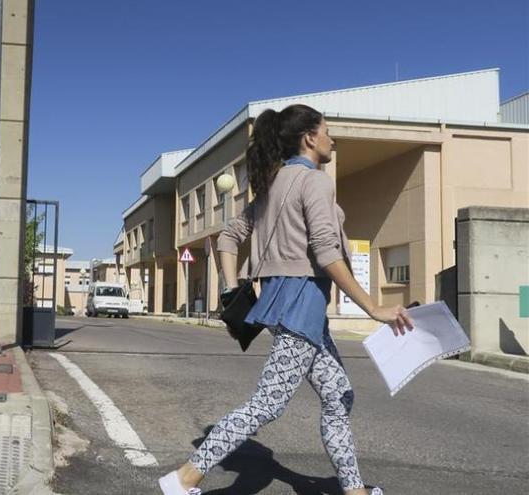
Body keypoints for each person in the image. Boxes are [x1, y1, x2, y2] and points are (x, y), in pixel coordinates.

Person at [158, 104, 414, 495]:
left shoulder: (273, 184)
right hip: (300, 307)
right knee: (268, 404)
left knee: (337, 395)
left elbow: (228, 237)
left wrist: (231, 289)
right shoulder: (316, 181)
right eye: (327, 131)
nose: (333, 139)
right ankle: (184, 478)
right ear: (309, 137)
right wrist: (373, 308)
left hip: (292, 308)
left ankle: (355, 490)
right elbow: (326, 252)